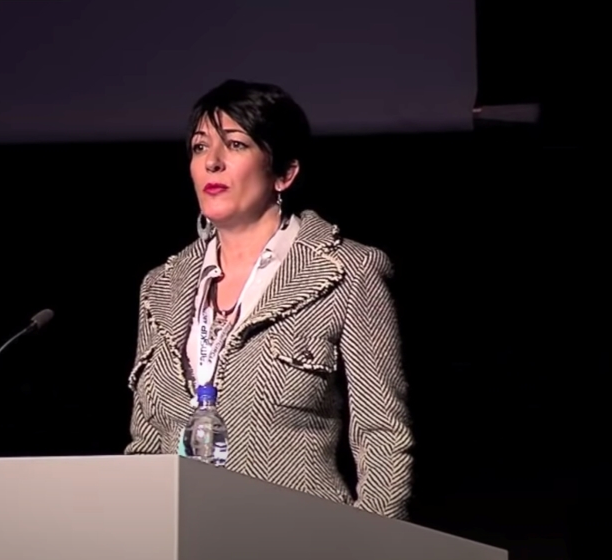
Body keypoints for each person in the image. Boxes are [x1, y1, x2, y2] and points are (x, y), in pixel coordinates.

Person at [124, 79, 413, 520]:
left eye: (235, 145)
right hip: (179, 535)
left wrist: (371, 547)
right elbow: (145, 445)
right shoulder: (160, 286)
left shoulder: (347, 273)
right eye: (201, 147)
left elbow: (382, 434)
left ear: (284, 172)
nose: (212, 163)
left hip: (300, 539)